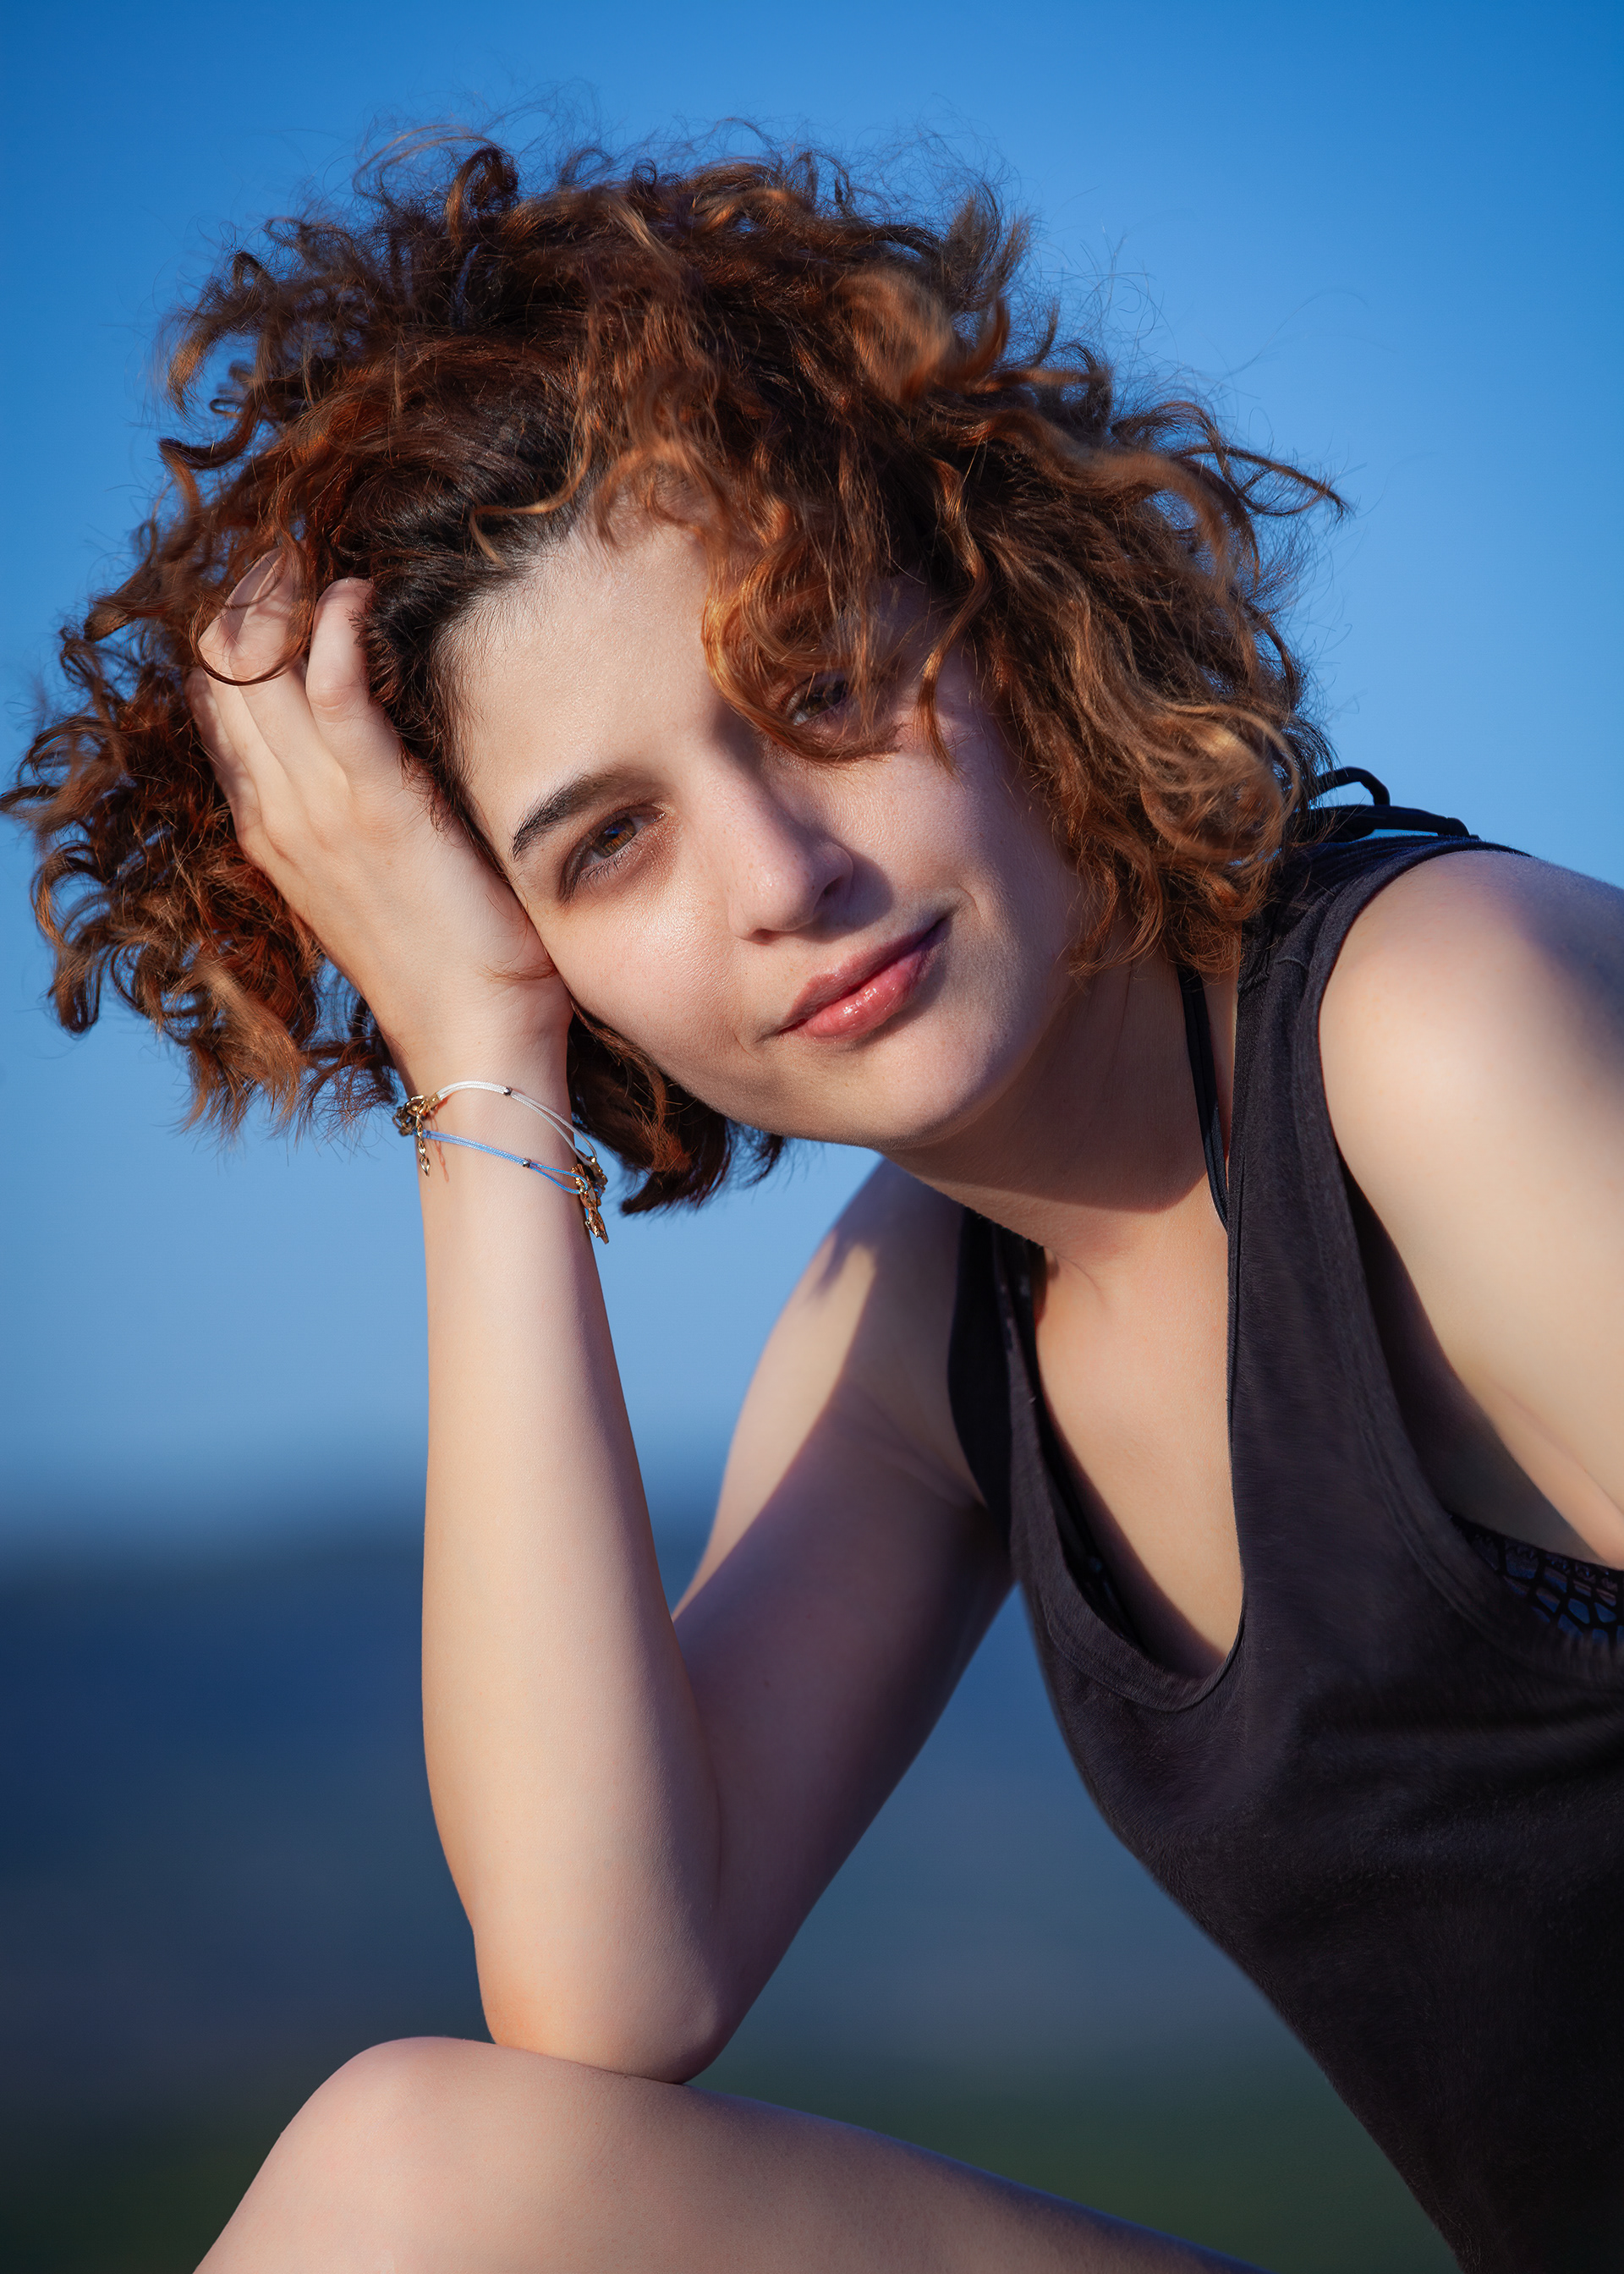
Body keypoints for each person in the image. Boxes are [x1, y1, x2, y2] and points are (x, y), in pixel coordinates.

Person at [7, 135, 1622, 2274]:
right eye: (605, 847)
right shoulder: (924, 1327)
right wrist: (476, 1059)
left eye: (822, 692)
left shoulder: (1436, 1035)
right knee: (423, 2185)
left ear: (1004, 609)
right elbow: (611, 1983)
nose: (782, 878)